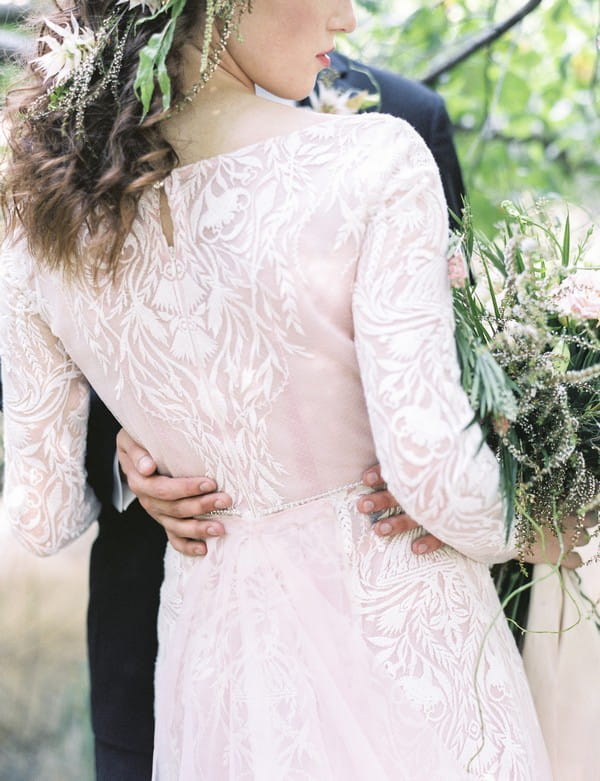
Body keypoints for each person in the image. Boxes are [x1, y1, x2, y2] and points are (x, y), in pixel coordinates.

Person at [1, 1, 552, 778]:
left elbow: (41, 512)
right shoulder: (375, 165)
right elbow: (438, 478)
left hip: (220, 681)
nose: (349, 20)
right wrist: (554, 514)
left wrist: (162, 416)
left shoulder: (33, 215)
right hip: (403, 660)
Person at [88, 47, 467, 780]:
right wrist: (124, 454)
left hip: (377, 642)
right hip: (167, 622)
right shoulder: (92, 127)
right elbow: (41, 360)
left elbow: (457, 356)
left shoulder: (404, 119)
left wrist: (441, 467)